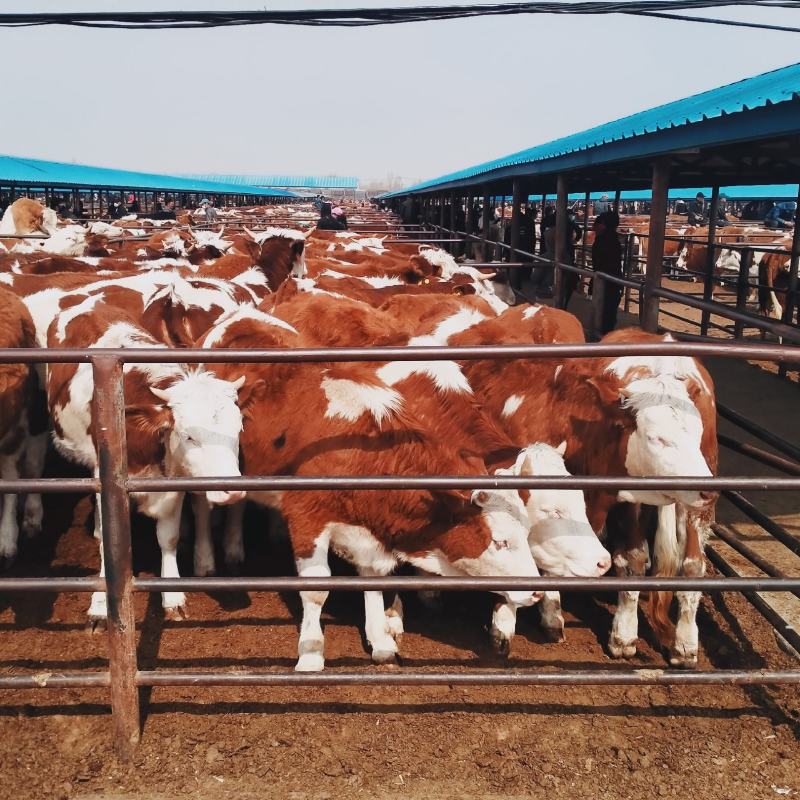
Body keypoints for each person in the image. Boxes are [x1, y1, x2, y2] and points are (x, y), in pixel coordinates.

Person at [592, 211, 623, 334]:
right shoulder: (614, 240)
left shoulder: (602, 239)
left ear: (604, 224)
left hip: (604, 280)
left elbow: (599, 262)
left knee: (603, 310)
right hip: (613, 280)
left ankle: (601, 337)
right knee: (609, 311)